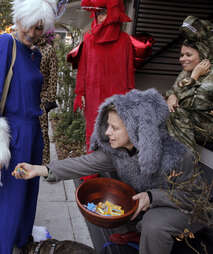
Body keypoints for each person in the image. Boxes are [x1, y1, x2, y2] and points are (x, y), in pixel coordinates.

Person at [13, 89, 208, 254]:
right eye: (107, 126)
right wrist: (40, 169)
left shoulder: (179, 156)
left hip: (183, 210)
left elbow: (194, 198)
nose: (107, 133)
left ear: (136, 130)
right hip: (149, 207)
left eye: (114, 128)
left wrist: (152, 197)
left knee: (153, 224)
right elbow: (83, 163)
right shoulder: (118, 152)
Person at [0, 0, 56, 253]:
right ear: (20, 18)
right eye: (32, 27)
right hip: (15, 133)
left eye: (39, 30)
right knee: (12, 200)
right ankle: (0, 249)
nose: (34, 34)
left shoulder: (33, 53)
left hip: (33, 131)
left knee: (29, 194)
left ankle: (21, 243)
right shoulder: (6, 43)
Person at [73, 0, 135, 151]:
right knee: (93, 133)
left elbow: (129, 71)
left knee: (116, 134)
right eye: (98, 13)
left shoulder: (125, 40)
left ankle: (115, 171)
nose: (100, 17)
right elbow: (83, 69)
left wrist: (130, 97)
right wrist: (80, 92)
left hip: (117, 97)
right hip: (94, 95)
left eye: (104, 12)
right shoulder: (88, 39)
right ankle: (92, 172)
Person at [166, 16, 213, 154]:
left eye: (188, 55)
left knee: (176, 113)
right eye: (181, 55)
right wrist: (171, 95)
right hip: (199, 123)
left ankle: (185, 165)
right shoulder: (187, 72)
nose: (182, 59)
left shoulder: (209, 74)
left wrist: (194, 78)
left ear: (203, 56)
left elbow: (189, 103)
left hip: (208, 127)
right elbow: (174, 90)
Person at [35, 30, 58, 164]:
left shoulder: (49, 50)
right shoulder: (24, 47)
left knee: (43, 131)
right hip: (25, 97)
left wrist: (50, 99)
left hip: (42, 97)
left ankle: (45, 163)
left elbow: (53, 76)